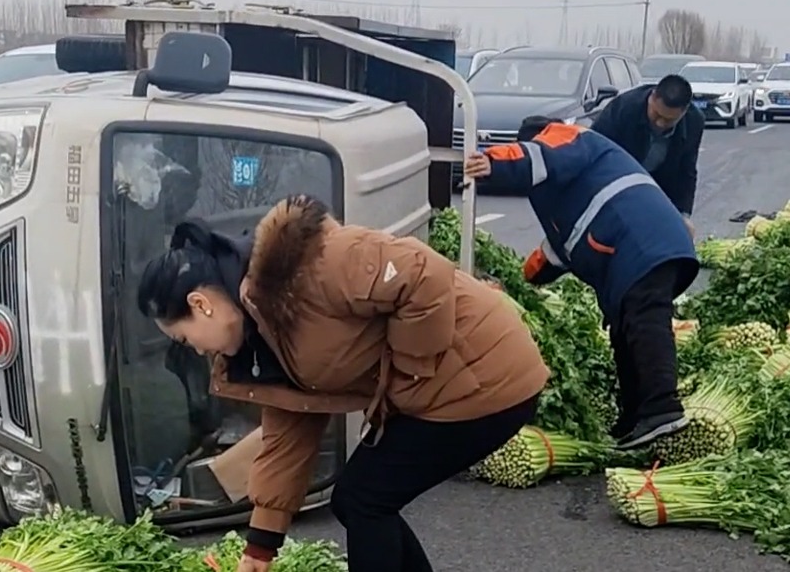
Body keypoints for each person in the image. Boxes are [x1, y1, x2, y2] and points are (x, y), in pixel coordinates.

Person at [136, 195, 549, 572]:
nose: (195, 351)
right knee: (359, 499)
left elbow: (422, 275)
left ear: (200, 304)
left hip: (487, 376)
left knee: (365, 500)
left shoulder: (313, 264)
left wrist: (405, 378)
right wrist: (260, 547)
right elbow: (288, 432)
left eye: (185, 339)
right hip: (441, 390)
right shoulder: (259, 337)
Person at [463, 117, 699, 450]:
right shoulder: (562, 190)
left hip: (643, 242)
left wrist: (491, 162)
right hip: (635, 250)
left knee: (646, 320)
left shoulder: (568, 138)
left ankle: (663, 407)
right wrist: (520, 281)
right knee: (624, 333)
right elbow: (559, 249)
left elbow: (536, 157)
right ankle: (635, 417)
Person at [590, 74, 704, 236]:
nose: (660, 124)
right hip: (616, 182)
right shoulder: (623, 108)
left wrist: (683, 215)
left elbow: (686, 171)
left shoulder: (694, 121)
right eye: (657, 114)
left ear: (684, 112)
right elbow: (593, 154)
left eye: (669, 120)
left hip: (658, 188)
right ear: (652, 97)